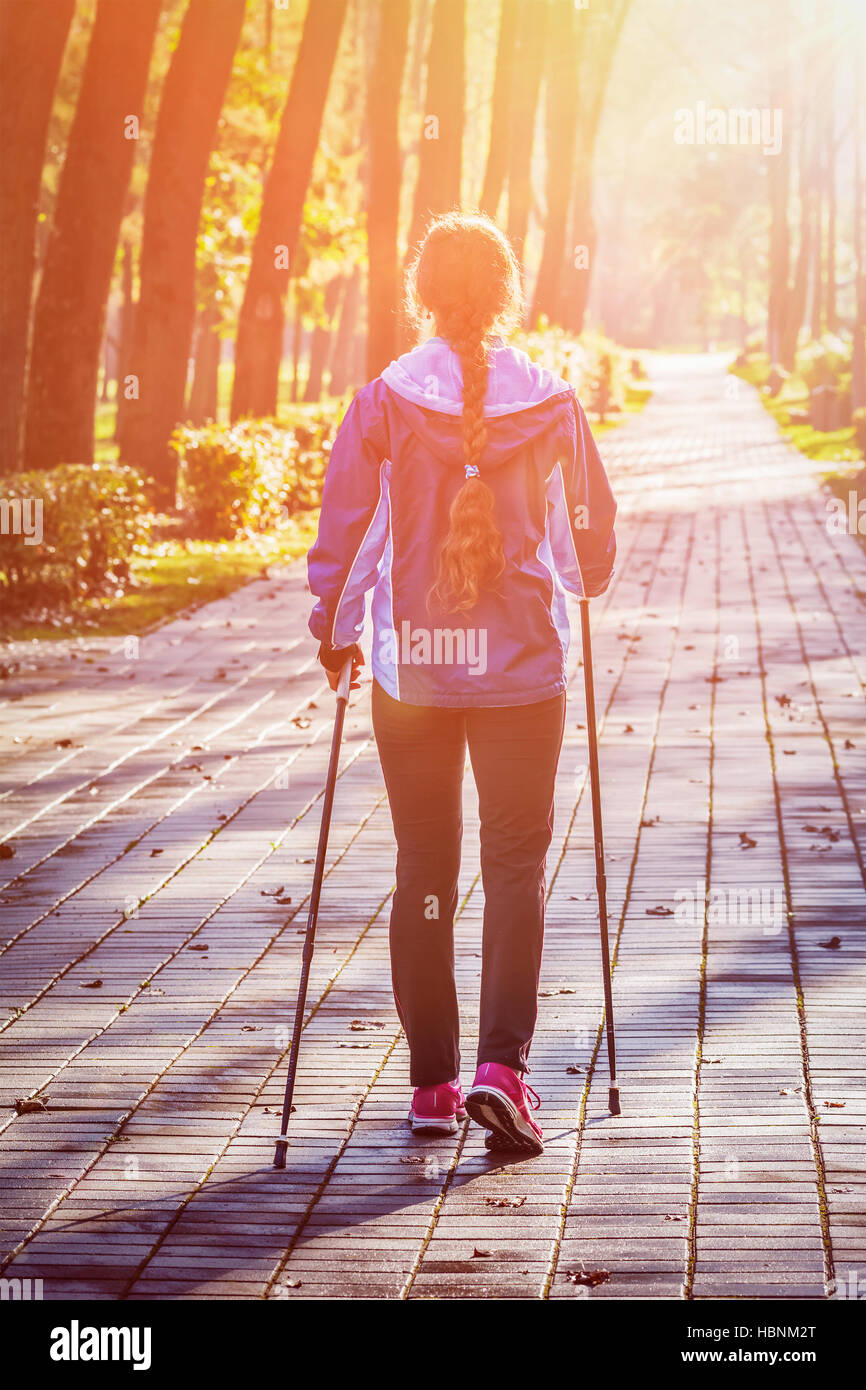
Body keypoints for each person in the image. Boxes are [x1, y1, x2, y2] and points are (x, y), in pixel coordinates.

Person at [307, 211, 616, 1157]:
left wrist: (337, 630)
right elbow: (584, 555)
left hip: (416, 677)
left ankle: (434, 1086)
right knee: (514, 867)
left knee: (424, 871)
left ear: (423, 292)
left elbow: (352, 535)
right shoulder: (554, 404)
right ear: (506, 292)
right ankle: (502, 1071)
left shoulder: (383, 401)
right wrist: (581, 572)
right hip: (523, 673)